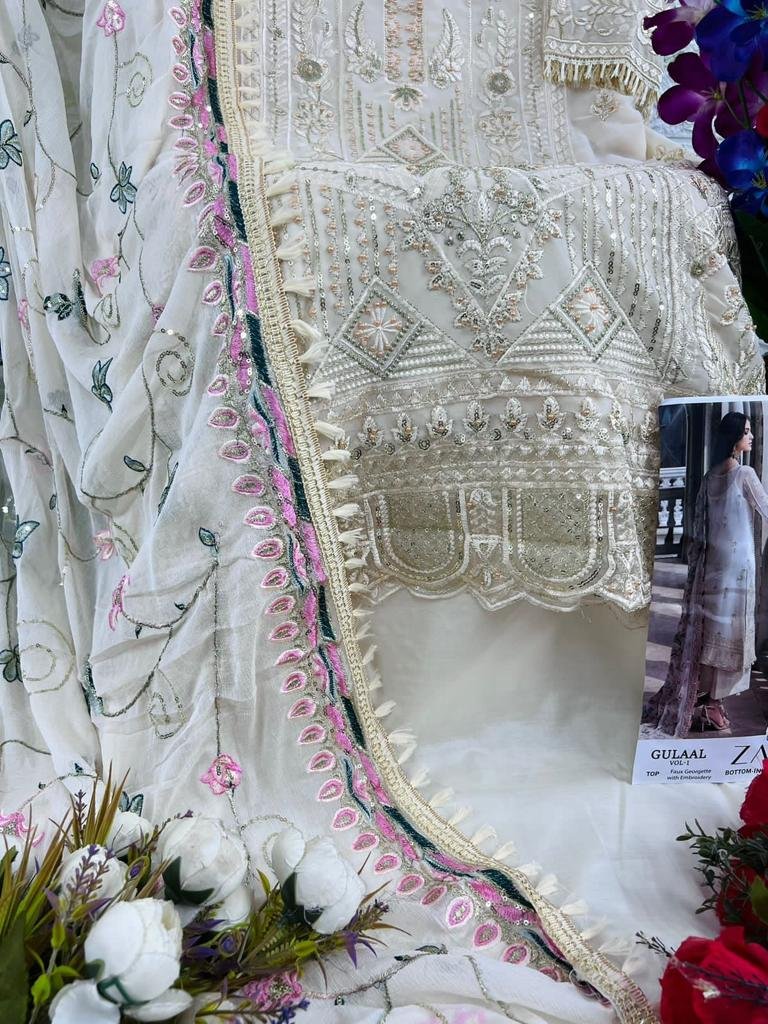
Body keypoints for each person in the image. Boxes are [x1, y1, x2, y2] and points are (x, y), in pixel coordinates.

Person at [645, 412, 768, 736]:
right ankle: (714, 703)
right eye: (746, 432)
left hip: (714, 566)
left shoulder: (709, 476)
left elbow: (700, 527)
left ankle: (710, 701)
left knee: (714, 629)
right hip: (738, 568)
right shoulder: (744, 474)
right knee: (733, 632)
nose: (751, 437)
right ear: (734, 438)